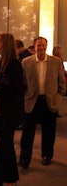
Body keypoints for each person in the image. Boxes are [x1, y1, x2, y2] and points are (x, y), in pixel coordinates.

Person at [18, 37, 66, 169]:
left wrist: (58, 99)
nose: (41, 48)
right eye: (38, 45)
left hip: (49, 102)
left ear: (47, 46)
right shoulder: (26, 62)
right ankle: (25, 158)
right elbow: (22, 82)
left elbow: (62, 83)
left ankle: (46, 155)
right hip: (31, 102)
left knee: (49, 131)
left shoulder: (56, 62)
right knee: (27, 132)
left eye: (43, 45)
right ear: (34, 47)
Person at [0, 33, 25, 186]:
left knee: (4, 147)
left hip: (10, 111)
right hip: (0, 109)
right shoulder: (0, 62)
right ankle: (11, 177)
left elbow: (18, 89)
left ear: (4, 44)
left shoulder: (14, 64)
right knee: (7, 145)